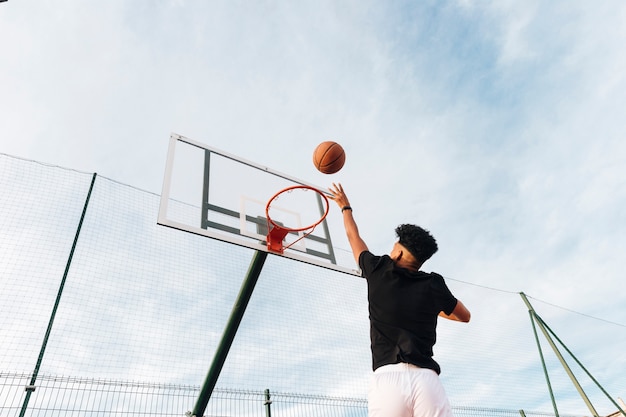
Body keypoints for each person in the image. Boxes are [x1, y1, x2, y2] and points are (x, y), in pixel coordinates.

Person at [328, 183, 471, 417]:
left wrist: (346, 207)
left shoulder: (378, 270)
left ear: (399, 253)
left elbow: (353, 237)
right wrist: (430, 307)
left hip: (388, 380)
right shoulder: (433, 284)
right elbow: (464, 316)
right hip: (427, 380)